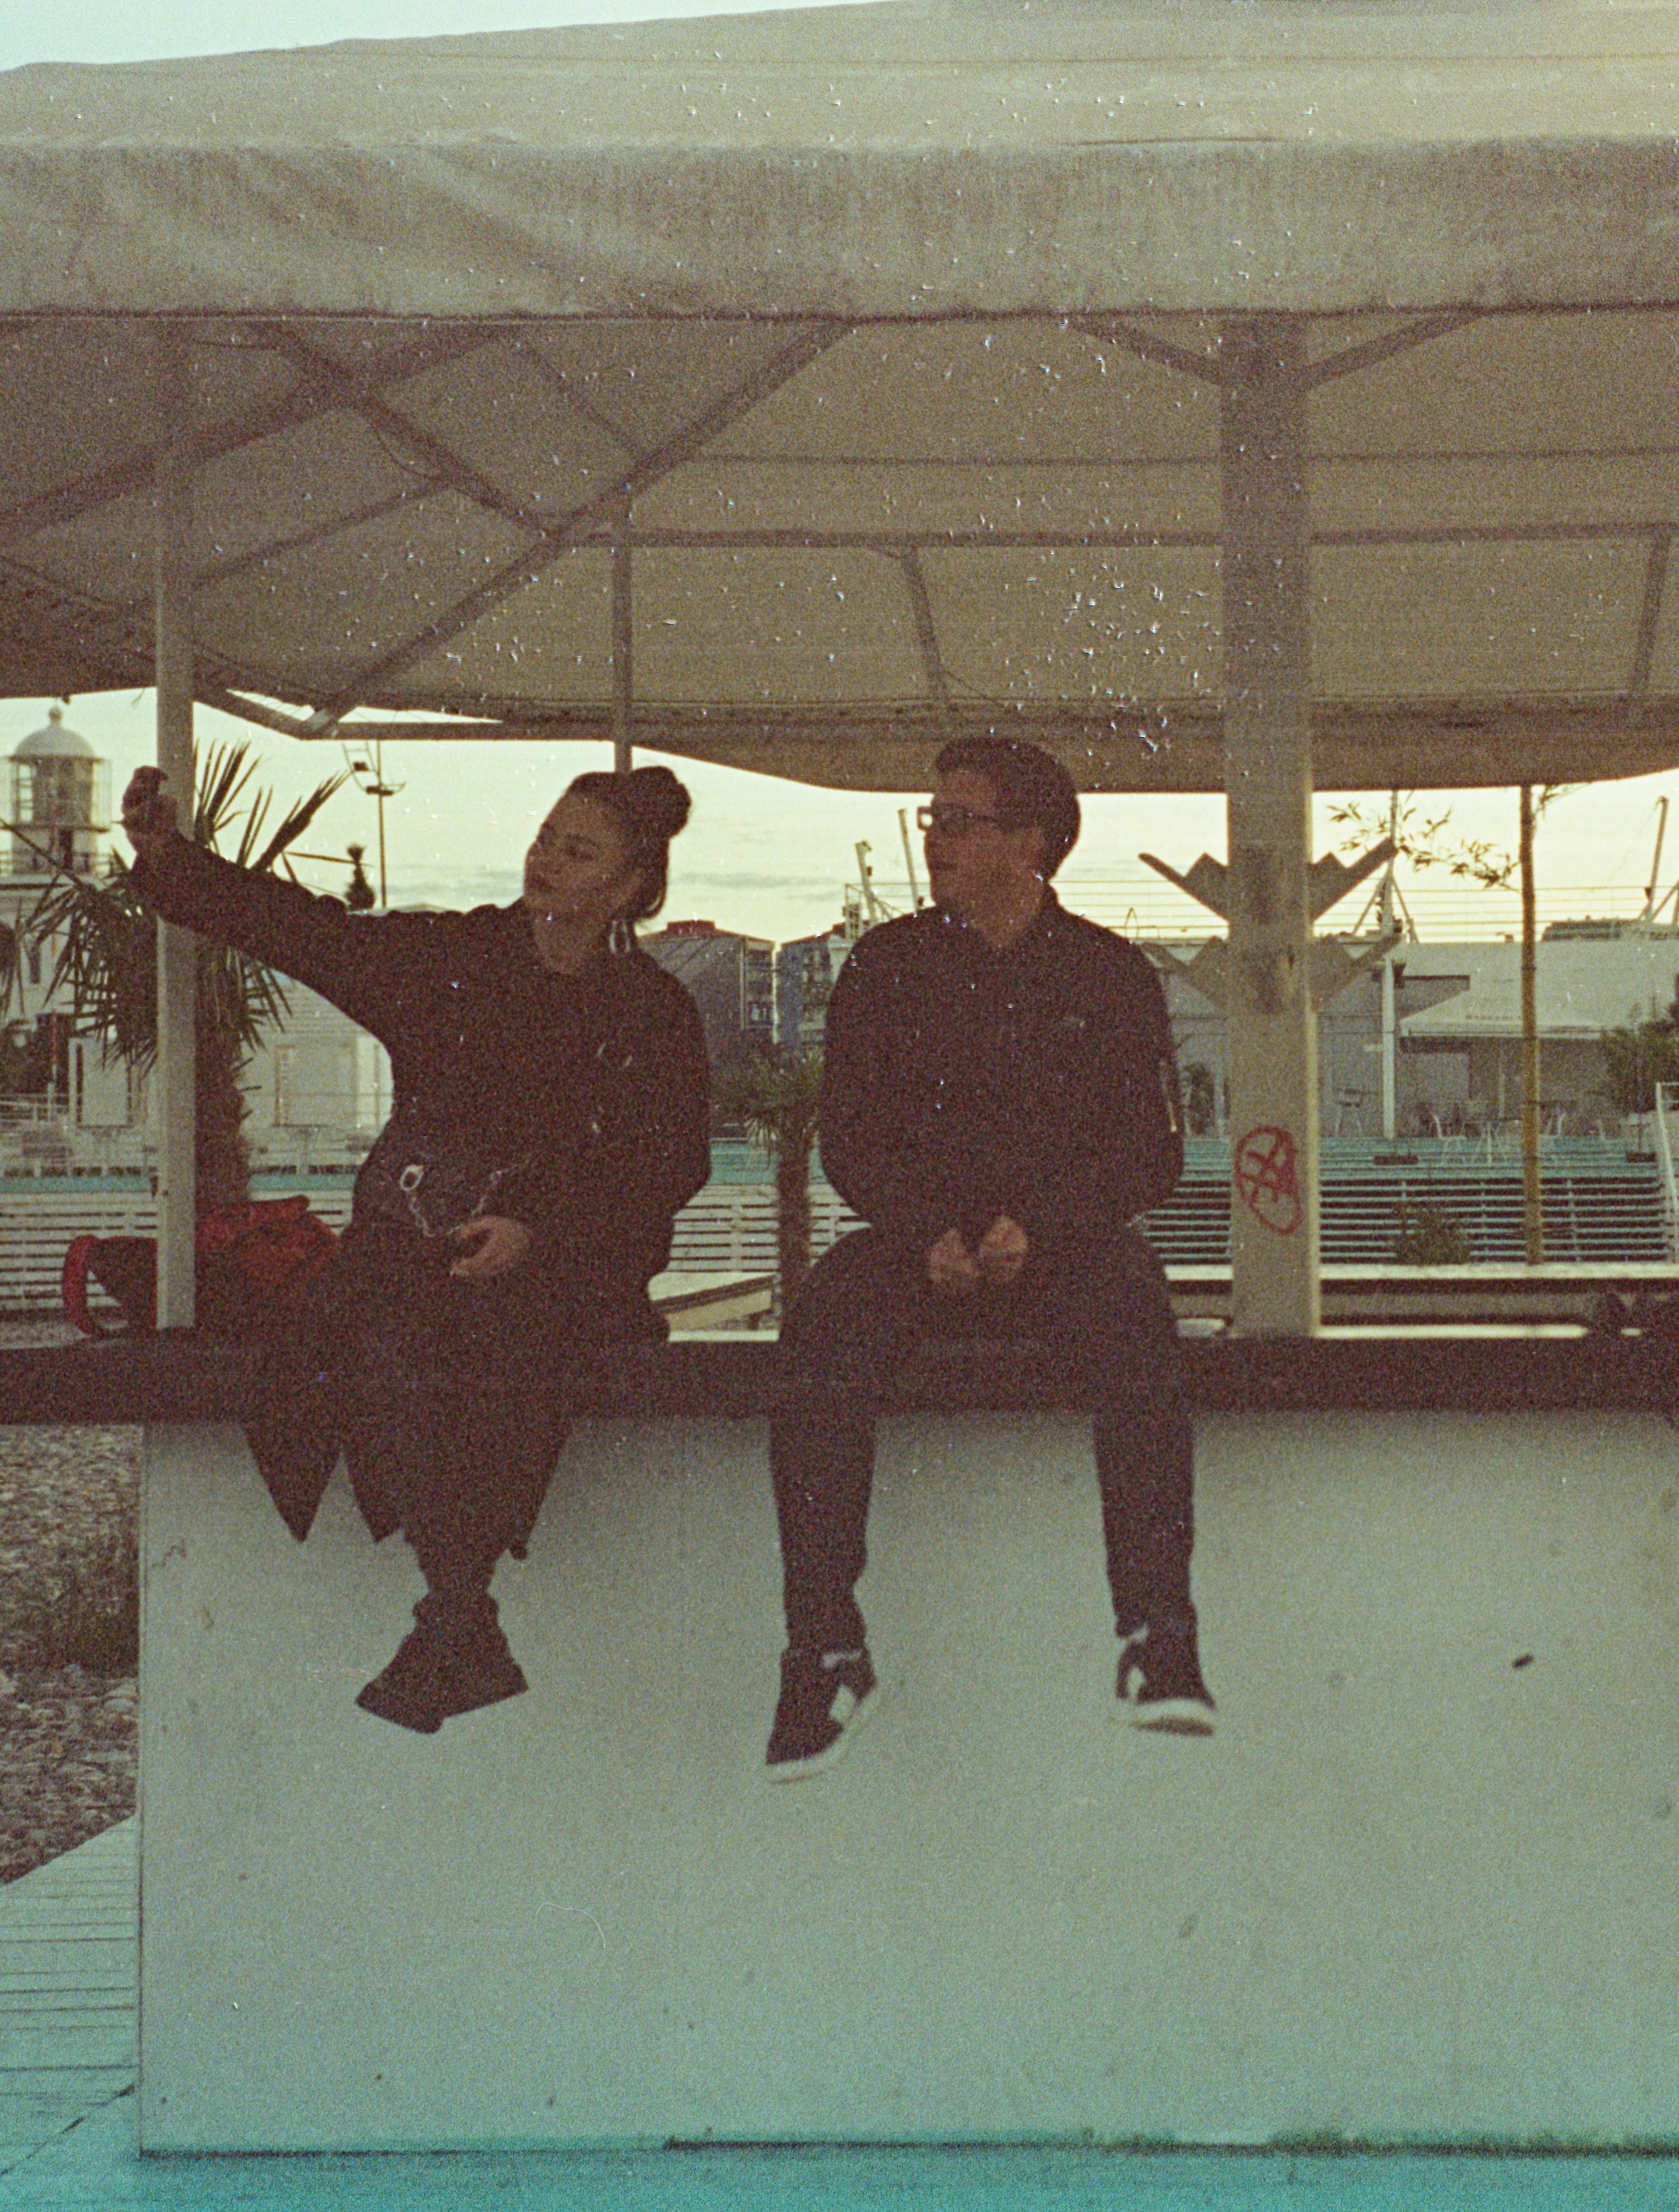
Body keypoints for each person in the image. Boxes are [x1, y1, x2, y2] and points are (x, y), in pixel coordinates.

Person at [119, 758, 709, 1735]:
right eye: (545, 839)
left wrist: (537, 1236)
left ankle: (455, 1619)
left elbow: (667, 1167)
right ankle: (460, 1613)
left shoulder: (653, 1013)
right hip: (417, 1249)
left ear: (634, 885)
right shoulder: (457, 958)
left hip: (563, 1272)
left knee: (499, 1334)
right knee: (381, 1324)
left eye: (579, 852)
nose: (546, 862)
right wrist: (169, 862)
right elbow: (307, 933)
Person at [762, 735, 1205, 1779]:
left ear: (1031, 843)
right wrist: (926, 1237)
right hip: (919, 1252)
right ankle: (823, 1647)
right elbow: (852, 1141)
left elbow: (1153, 1152)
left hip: (1069, 1250)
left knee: (1140, 1321)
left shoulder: (1109, 974)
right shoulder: (887, 966)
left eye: (958, 821)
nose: (935, 841)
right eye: (933, 820)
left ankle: (1159, 1637)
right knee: (821, 1329)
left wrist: (1042, 1229)